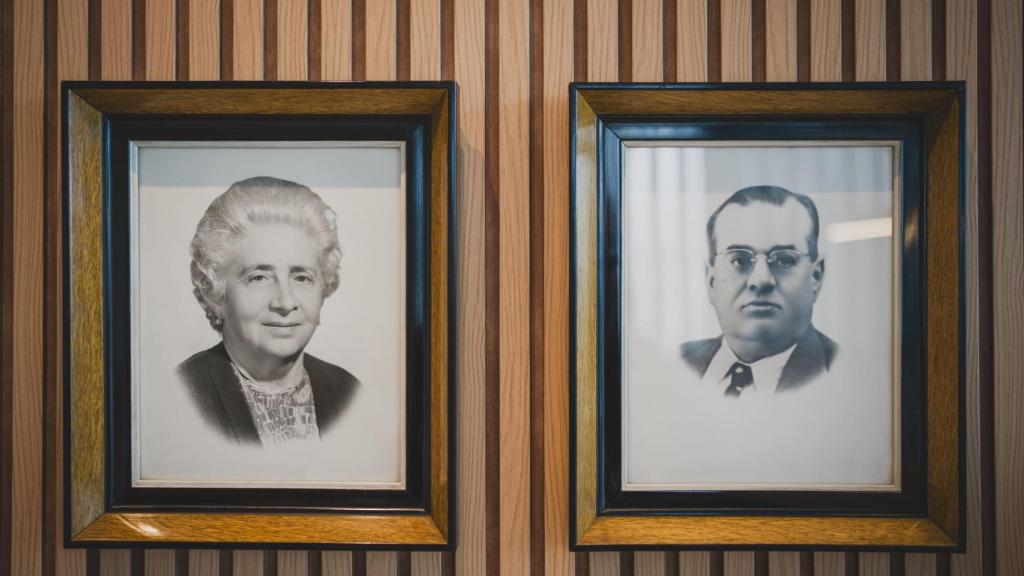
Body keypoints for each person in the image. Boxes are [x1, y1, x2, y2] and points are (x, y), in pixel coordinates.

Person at [177, 176, 359, 445]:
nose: (285, 303)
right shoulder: (182, 395)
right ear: (216, 292)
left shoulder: (348, 390)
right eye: (259, 277)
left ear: (324, 286)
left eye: (301, 278)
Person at [681, 185, 837, 397]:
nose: (762, 280)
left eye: (784, 259)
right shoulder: (673, 366)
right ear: (711, 281)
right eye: (739, 260)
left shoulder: (844, 374)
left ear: (815, 277)